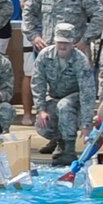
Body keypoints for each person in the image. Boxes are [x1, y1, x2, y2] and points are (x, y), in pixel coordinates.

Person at [22, 0, 102, 81]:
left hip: (76, 52)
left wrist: (85, 40)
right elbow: (28, 12)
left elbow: (99, 16)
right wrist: (34, 36)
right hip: (49, 52)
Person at [33, 23, 98, 164]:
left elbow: (88, 93)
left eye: (66, 43)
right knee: (42, 126)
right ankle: (60, 142)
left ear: (73, 43)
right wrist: (41, 110)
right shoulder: (45, 56)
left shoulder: (80, 60)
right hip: (54, 99)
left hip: (76, 102)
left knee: (65, 106)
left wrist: (86, 124)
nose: (62, 46)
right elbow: (38, 83)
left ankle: (68, 150)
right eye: (59, 42)